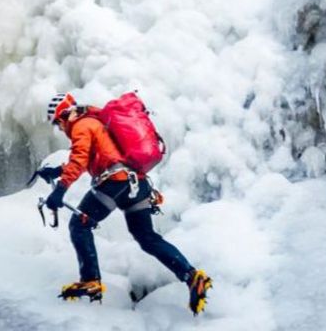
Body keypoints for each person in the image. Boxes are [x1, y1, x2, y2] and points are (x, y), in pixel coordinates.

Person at [39, 92, 212, 315]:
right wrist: (57, 171)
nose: (60, 127)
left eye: (58, 122)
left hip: (114, 183)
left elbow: (80, 158)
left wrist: (60, 190)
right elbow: (96, 155)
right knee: (147, 237)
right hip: (136, 183)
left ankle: (90, 281)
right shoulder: (95, 122)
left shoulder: (82, 125)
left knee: (79, 225)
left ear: (67, 114)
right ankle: (192, 276)